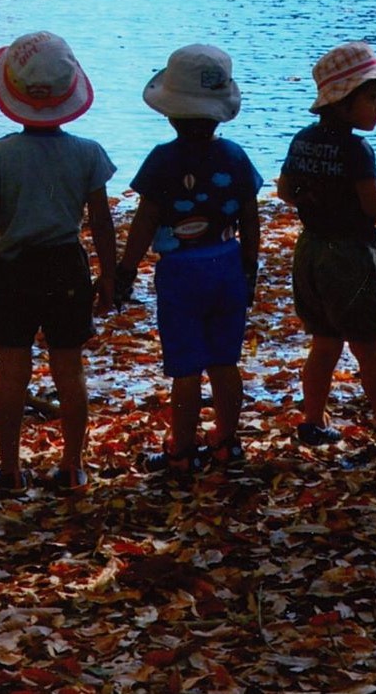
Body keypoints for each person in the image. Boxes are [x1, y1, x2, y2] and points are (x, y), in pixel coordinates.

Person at [0, 31, 117, 494]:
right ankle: (72, 465)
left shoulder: (0, 155)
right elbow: (102, 223)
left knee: (12, 371)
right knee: (69, 368)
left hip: (14, 268)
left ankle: (10, 470)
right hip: (67, 266)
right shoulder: (87, 153)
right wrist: (109, 275)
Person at [118, 44, 262, 474]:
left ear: (170, 112)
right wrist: (249, 269)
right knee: (224, 361)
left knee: (185, 366)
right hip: (228, 264)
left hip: (180, 270)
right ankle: (227, 442)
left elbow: (145, 221)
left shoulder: (162, 160)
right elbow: (251, 220)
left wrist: (125, 271)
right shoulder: (235, 157)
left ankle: (181, 449)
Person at [277, 41, 376, 452]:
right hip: (351, 256)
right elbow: (373, 206)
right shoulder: (357, 150)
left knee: (323, 342)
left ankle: (312, 422)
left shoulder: (303, 140)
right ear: (343, 102)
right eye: (372, 98)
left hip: (310, 251)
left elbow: (286, 191)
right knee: (368, 347)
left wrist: (314, 197)